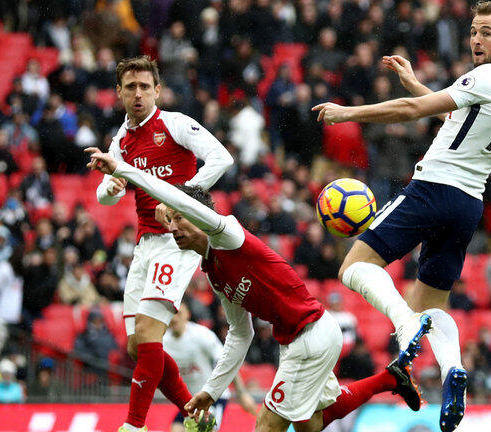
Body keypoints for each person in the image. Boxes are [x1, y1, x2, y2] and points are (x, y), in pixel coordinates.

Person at [86, 148, 431, 432]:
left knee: (266, 426)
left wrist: (123, 169)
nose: (173, 229)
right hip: (302, 338)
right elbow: (240, 334)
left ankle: (391, 377)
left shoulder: (227, 235)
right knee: (310, 424)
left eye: (179, 219)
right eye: (171, 221)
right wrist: (211, 390)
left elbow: (182, 200)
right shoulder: (214, 273)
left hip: (310, 335)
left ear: (199, 217)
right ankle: (390, 377)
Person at [311, 2, 491, 431]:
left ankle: (404, 325)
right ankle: (453, 370)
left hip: (433, 188)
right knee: (432, 303)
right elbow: (455, 113)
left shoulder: (485, 77)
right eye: (473, 31)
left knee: (354, 267)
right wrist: (413, 80)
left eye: (486, 33)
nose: (476, 40)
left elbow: (413, 112)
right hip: (468, 204)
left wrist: (346, 113)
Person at [93, 56, 233, 432]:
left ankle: (134, 425)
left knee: (150, 333)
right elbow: (104, 197)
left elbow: (222, 158)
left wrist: (181, 200)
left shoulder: (174, 123)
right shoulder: (120, 140)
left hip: (177, 240)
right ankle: (197, 416)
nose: (138, 94)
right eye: (130, 87)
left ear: (157, 90)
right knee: (137, 346)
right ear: (119, 93)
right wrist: (112, 185)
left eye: (144, 86)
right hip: (144, 246)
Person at [163, 303, 257, 432]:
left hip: (212, 397)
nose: (174, 318)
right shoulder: (163, 342)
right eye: (171, 314)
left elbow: (227, 362)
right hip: (190, 401)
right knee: (176, 429)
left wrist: (242, 394)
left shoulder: (201, 335)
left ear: (187, 314)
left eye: (178, 314)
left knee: (204, 429)